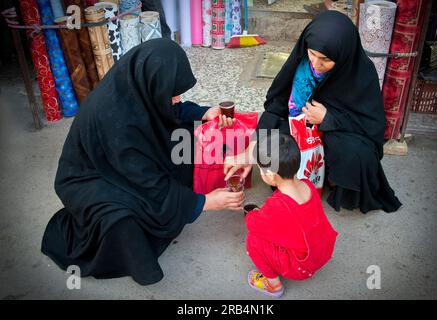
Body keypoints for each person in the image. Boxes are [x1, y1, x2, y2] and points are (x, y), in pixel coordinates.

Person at [41, 39, 244, 285]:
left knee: (182, 152)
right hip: (87, 179)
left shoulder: (134, 86)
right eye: (173, 92)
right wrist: (205, 203)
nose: (178, 98)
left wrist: (203, 112)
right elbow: (147, 181)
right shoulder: (115, 120)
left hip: (119, 165)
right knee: (122, 219)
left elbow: (164, 110)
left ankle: (170, 212)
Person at [225, 11, 402, 214]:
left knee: (357, 153)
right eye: (312, 54)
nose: (316, 64)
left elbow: (371, 127)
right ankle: (300, 179)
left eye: (325, 59)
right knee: (274, 137)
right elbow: (276, 106)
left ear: (344, 54)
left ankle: (331, 180)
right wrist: (251, 151)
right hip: (302, 129)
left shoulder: (360, 72)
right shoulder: (301, 63)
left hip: (338, 135)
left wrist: (329, 119)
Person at [245, 133, 338, 298]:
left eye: (260, 169)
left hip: (301, 267)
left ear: (272, 175)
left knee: (253, 240)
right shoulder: (308, 185)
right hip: (321, 252)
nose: (260, 172)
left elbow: (253, 225)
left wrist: (252, 214)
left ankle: (274, 286)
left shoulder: (278, 205)